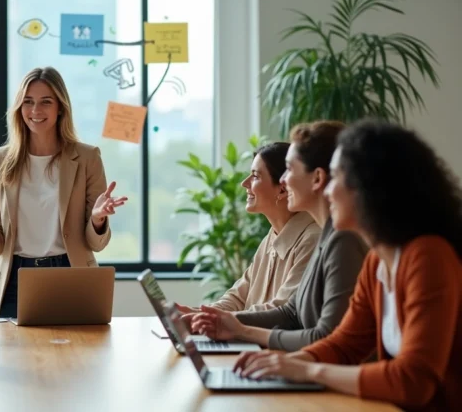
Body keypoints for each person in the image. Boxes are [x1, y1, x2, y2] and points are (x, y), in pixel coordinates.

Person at [233, 121, 462, 411]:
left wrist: (307, 370)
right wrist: (285, 363)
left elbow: (413, 381)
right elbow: (344, 343)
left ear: (371, 188)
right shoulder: (378, 262)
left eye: (338, 176)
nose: (327, 191)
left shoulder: (428, 257)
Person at [0, 66, 127, 318]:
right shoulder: (1, 159)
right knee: (11, 356)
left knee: (75, 356)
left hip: (71, 275)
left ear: (60, 108)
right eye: (28, 102)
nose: (35, 111)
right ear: (19, 108)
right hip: (15, 280)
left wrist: (97, 218)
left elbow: (96, 243)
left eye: (45, 102)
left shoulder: (87, 158)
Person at [190, 121, 368, 351]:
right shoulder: (325, 235)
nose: (284, 180)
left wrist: (241, 330)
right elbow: (290, 312)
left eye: (290, 170)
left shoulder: (337, 240)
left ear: (317, 178)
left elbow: (328, 338)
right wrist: (216, 319)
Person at [179, 142, 320, 317]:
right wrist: (198, 313)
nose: (245, 183)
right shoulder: (272, 236)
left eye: (255, 176)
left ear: (282, 188)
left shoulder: (312, 240)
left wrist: (217, 320)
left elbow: (282, 312)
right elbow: (238, 298)